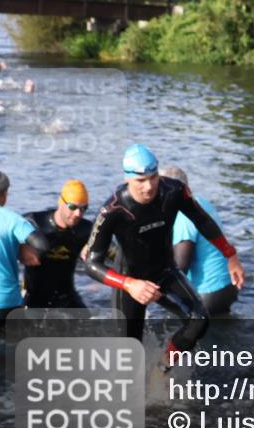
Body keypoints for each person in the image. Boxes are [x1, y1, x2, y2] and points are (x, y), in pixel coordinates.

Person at [82, 144, 241, 361]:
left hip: (164, 271)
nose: (149, 186)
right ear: (127, 178)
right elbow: (91, 264)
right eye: (141, 180)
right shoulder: (112, 210)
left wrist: (230, 255)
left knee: (199, 320)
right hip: (130, 281)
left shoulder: (173, 191)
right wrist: (129, 284)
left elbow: (202, 220)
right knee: (129, 351)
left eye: (153, 177)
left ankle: (162, 369)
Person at [161, 165, 245, 315]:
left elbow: (181, 267)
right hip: (228, 286)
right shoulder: (201, 203)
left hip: (207, 295)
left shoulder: (182, 218)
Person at [0, 170, 49, 327]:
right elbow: (43, 245)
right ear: (5, 193)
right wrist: (21, 247)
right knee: (5, 350)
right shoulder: (11, 219)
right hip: (2, 303)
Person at [23, 180, 94, 309]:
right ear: (61, 202)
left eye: (84, 208)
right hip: (33, 296)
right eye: (73, 207)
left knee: (92, 327)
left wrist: (92, 247)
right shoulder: (33, 222)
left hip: (66, 296)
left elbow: (113, 253)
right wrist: (20, 249)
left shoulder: (86, 230)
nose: (78, 213)